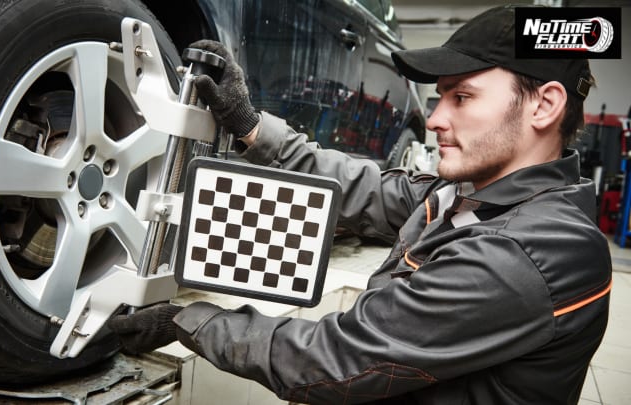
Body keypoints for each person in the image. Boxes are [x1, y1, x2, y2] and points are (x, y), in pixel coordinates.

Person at [108, 5, 612, 404]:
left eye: (461, 97)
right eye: (438, 97)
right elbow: (365, 187)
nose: (434, 119)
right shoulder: (478, 194)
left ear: (544, 105)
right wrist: (250, 125)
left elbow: (333, 358)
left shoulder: (526, 253)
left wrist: (187, 321)